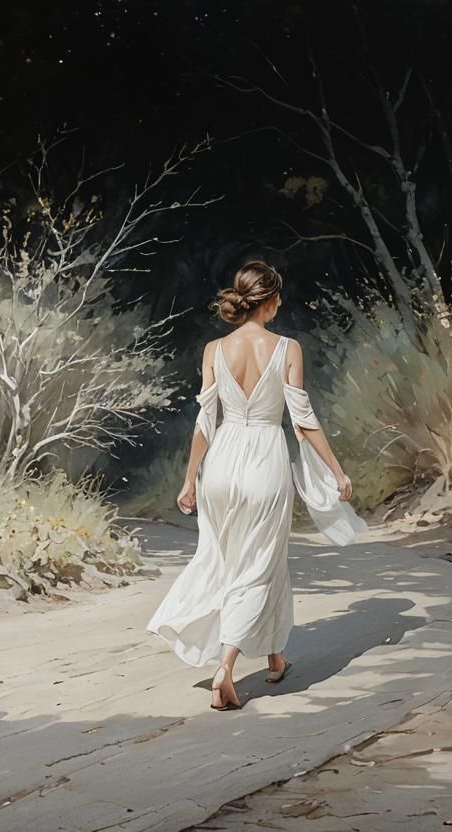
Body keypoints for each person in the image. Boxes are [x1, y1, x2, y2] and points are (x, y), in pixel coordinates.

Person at [145, 260, 365, 711]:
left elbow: (206, 421)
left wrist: (190, 478)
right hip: (265, 460)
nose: (280, 304)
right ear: (268, 301)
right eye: (278, 297)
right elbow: (303, 422)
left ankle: (275, 655)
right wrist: (336, 471)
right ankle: (225, 669)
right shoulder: (287, 348)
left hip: (222, 463)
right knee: (259, 564)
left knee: (240, 559)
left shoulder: (213, 349)